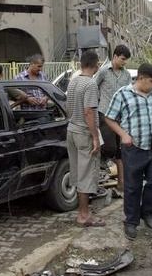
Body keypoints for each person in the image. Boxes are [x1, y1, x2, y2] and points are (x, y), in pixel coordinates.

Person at [104, 63, 152, 241]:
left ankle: (146, 212)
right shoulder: (123, 94)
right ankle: (131, 221)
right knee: (133, 187)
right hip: (134, 148)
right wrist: (123, 135)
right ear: (141, 78)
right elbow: (109, 118)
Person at [65, 50, 104, 227]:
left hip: (71, 130)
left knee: (78, 173)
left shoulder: (73, 82)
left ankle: (82, 212)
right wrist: (95, 137)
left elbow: (68, 108)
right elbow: (89, 112)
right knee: (87, 175)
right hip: (83, 133)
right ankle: (84, 215)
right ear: (95, 65)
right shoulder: (90, 84)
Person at [94, 44, 131, 192]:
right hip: (104, 114)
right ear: (115, 56)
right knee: (109, 148)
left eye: (126, 60)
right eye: (122, 59)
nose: (124, 62)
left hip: (120, 117)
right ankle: (102, 166)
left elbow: (128, 94)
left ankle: (121, 183)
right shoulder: (103, 72)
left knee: (120, 151)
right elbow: (93, 87)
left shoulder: (126, 75)